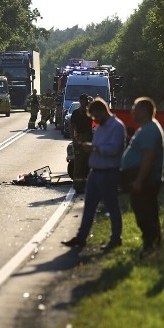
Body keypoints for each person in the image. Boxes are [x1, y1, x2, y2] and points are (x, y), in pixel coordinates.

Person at [61, 97, 126, 251]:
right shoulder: (101, 126)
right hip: (95, 173)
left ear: (102, 111)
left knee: (112, 207)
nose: (94, 120)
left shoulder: (116, 127)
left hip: (108, 172)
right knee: (89, 207)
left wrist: (94, 148)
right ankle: (81, 237)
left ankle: (116, 238)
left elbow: (115, 149)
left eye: (95, 116)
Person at [120, 97, 164, 256]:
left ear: (145, 111)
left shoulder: (149, 130)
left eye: (135, 108)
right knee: (145, 212)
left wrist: (139, 181)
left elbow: (149, 157)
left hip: (145, 180)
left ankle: (151, 247)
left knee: (145, 213)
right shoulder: (146, 128)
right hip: (142, 178)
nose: (132, 111)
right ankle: (152, 246)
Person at [69, 94, 93, 192]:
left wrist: (92, 102)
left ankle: (86, 184)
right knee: (78, 162)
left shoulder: (90, 112)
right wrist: (74, 139)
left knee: (88, 162)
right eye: (83, 100)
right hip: (79, 137)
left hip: (89, 138)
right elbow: (72, 127)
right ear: (80, 101)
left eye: (86, 101)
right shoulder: (75, 113)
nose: (84, 102)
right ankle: (78, 186)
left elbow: (99, 112)